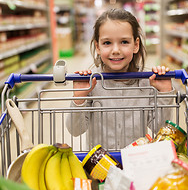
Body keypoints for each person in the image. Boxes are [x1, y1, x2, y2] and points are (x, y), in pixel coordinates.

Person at [66, 8, 175, 150]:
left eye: (124, 42)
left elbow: (159, 128)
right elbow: (75, 131)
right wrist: (79, 98)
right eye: (107, 43)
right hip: (99, 165)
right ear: (97, 46)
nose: (116, 50)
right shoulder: (91, 83)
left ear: (136, 45)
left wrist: (165, 93)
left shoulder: (147, 82)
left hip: (136, 162)